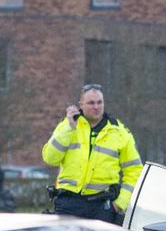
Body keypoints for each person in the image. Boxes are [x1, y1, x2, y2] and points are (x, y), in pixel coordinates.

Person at [41, 83, 142, 223]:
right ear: (80, 104)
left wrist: (119, 204)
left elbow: (135, 171)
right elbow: (50, 158)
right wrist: (69, 129)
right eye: (91, 103)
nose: (96, 107)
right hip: (69, 204)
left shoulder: (119, 132)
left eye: (99, 102)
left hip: (102, 207)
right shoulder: (68, 125)